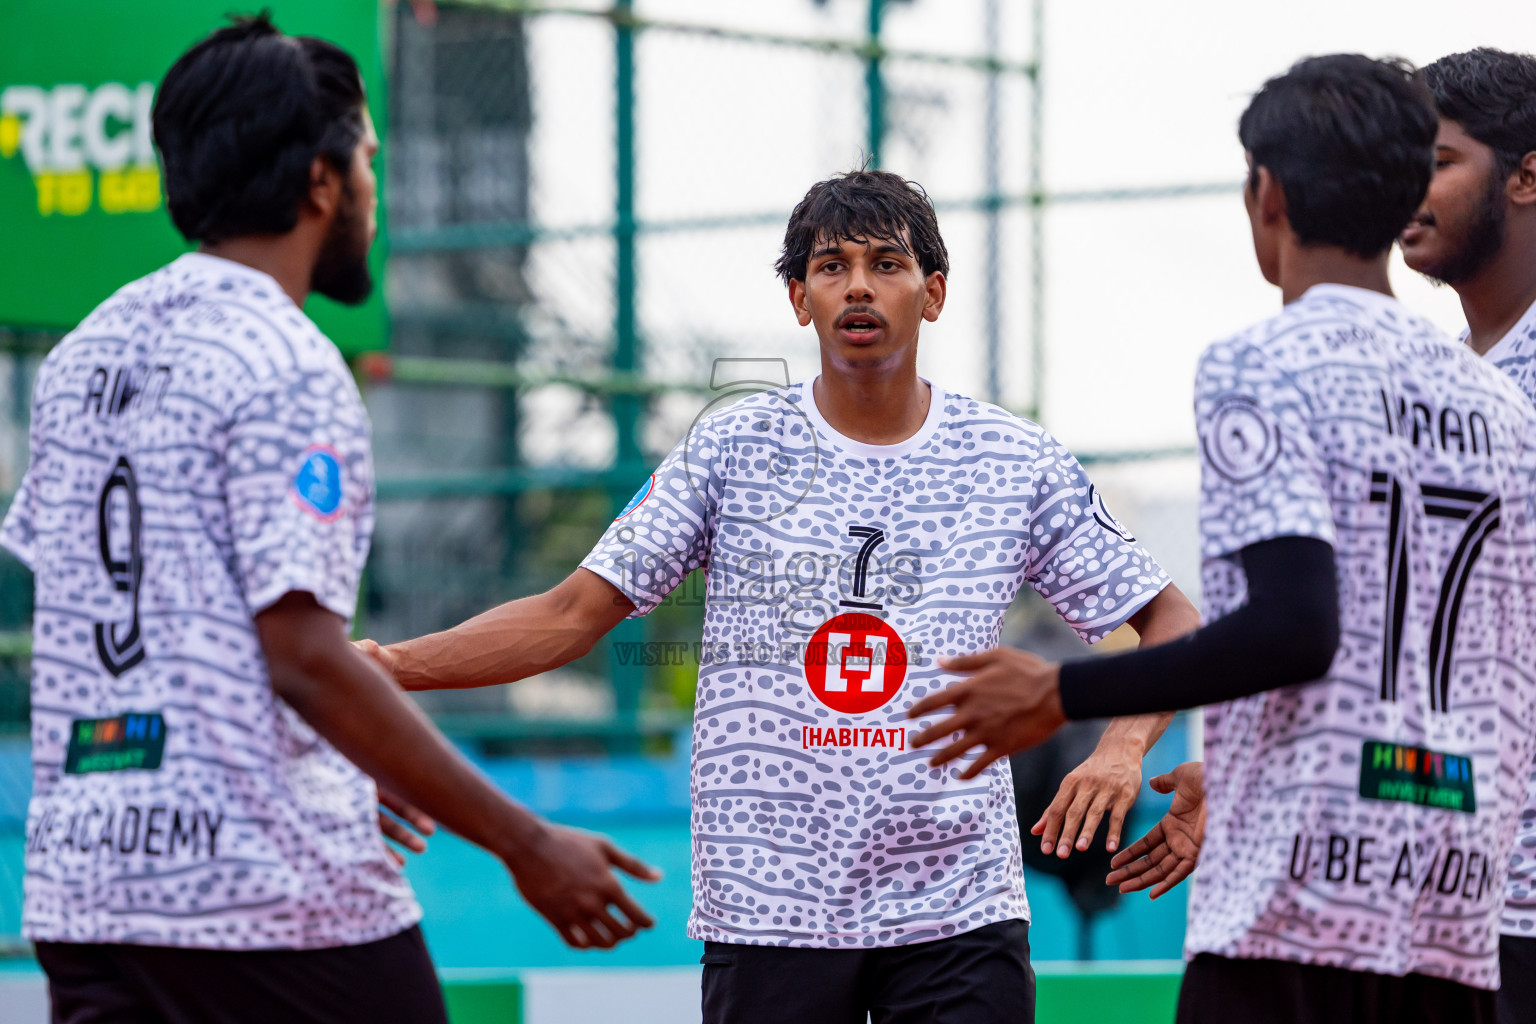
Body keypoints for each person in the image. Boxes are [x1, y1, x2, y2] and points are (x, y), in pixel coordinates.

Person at [359, 168, 1202, 1023]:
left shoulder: (1014, 462)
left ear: (933, 294)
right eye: (832, 266)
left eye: (888, 263)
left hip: (957, 907)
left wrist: (1122, 748)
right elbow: (571, 614)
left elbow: (1172, 621)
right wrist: (388, 666)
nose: (860, 286)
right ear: (801, 299)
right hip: (770, 907)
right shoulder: (729, 450)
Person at [2, 16, 655, 1024]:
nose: (373, 195)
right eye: (367, 163)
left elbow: (140, 630)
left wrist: (343, 756)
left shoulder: (87, 356)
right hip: (262, 887)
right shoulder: (286, 359)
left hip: (91, 882)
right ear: (320, 180)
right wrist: (528, 843)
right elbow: (298, 654)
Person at [907, 54, 1536, 1024]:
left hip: (1299, 900)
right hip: (1452, 899)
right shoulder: (1492, 399)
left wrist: (1060, 690)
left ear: (1267, 194)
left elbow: (1294, 626)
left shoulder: (1261, 363)